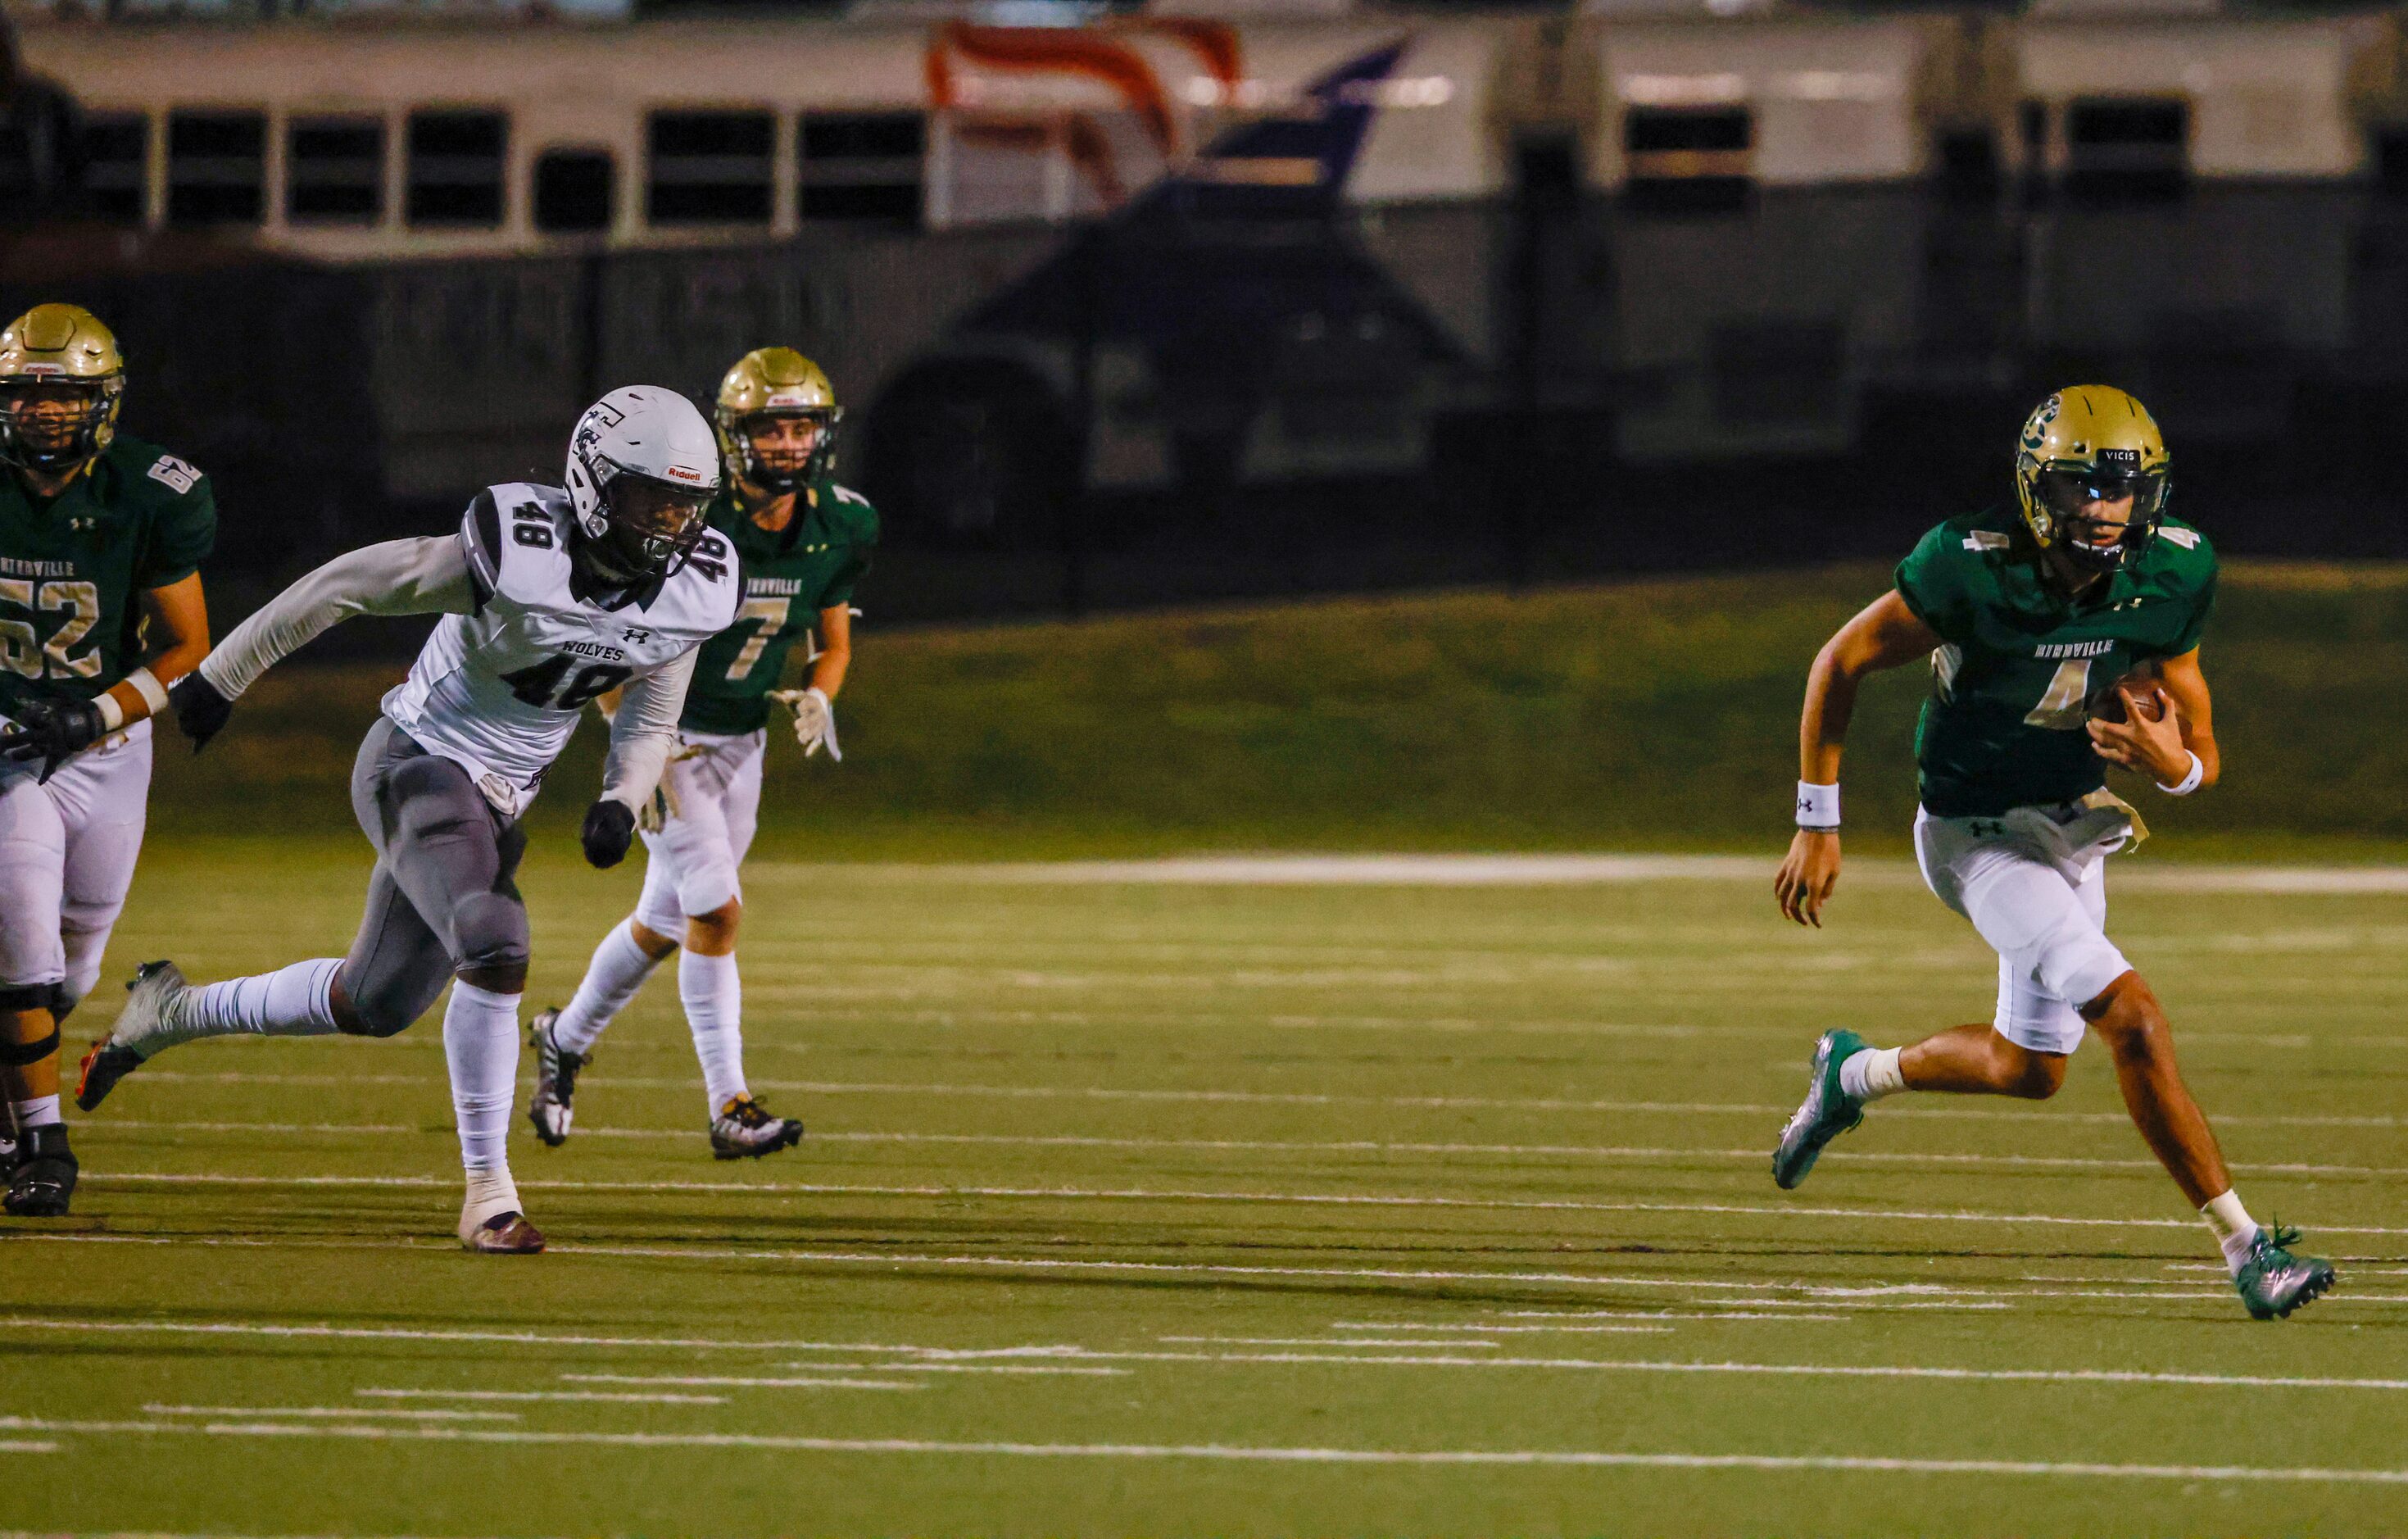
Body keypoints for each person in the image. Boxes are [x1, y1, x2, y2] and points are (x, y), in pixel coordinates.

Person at [75, 386, 739, 1252]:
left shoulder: (692, 590)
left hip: (500, 796)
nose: (669, 527)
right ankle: (488, 1193)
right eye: (652, 500)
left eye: (686, 505)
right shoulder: (515, 552)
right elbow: (348, 585)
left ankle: (170, 1012)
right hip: (417, 760)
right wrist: (223, 675)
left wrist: (619, 796)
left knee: (374, 999)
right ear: (592, 485)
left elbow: (652, 719)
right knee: (496, 941)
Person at [1769, 385, 2336, 1321]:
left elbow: (2200, 752)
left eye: (2121, 488)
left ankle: (1851, 1073)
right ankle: (2246, 1247)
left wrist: (2175, 767)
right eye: (2082, 488)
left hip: (2073, 825)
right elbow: (1838, 662)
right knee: (2133, 1017)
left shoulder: (2175, 571)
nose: (2104, 509)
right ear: (2039, 490)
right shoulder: (1968, 565)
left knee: (2028, 1069)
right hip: (1974, 832)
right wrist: (1817, 820)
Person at [527, 348, 875, 1159]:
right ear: (732, 435)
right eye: (771, 427)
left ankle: (563, 1037)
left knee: (664, 919)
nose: (789, 443)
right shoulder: (691, 515)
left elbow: (833, 640)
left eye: (801, 427)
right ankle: (730, 1105)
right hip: (668, 740)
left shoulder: (844, 522)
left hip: (743, 744)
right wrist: (632, 745)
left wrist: (823, 691)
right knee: (715, 909)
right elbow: (616, 634)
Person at [0, 304, 215, 1218]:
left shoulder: (152, 489)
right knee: (21, 946)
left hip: (109, 745)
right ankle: (42, 1141)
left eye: (66, 397)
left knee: (74, 973)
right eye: (28, 395)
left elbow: (186, 646)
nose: (46, 414)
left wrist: (90, 713)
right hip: (9, 749)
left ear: (105, 402)